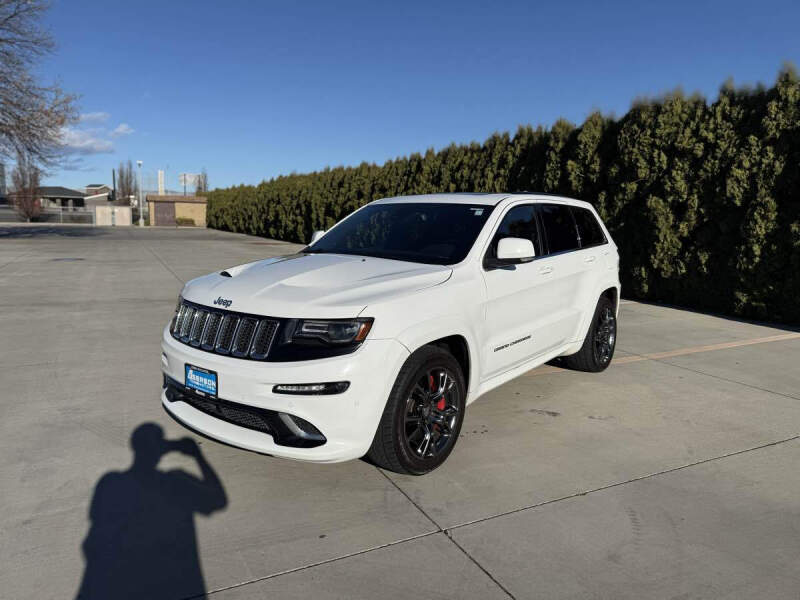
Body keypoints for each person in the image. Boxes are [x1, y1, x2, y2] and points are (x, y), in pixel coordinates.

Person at [76, 423, 227, 599]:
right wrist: (197, 456)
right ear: (161, 449)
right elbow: (218, 500)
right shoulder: (174, 482)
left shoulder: (109, 482)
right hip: (171, 581)